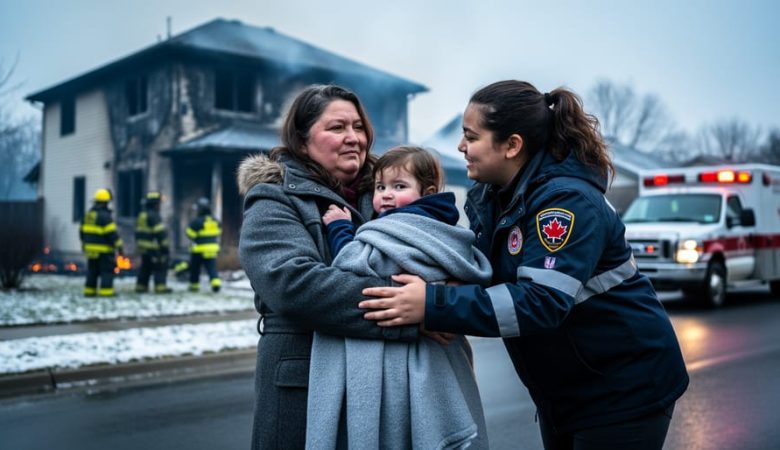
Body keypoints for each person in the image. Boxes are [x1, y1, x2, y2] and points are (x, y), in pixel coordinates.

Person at [360, 80, 690, 450]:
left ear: (512, 145)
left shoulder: (565, 204)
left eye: (471, 136)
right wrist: (448, 297)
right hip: (567, 392)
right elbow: (493, 276)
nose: (460, 147)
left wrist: (433, 305)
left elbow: (540, 301)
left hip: (624, 388)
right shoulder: (495, 197)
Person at [237, 84, 422, 449]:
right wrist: (410, 309)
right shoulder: (273, 198)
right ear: (302, 141)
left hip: (382, 382)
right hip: (302, 383)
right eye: (337, 128)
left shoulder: (388, 197)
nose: (354, 138)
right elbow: (294, 284)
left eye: (358, 126)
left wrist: (439, 296)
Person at [307, 146, 492, 449]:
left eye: (399, 186)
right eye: (380, 187)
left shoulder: (402, 227)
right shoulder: (444, 229)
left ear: (427, 192)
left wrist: (340, 228)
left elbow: (352, 262)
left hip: (404, 355)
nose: (386, 196)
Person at [79, 188, 123, 297]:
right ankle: (106, 292)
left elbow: (81, 232)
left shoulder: (88, 215)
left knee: (92, 271)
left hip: (90, 250)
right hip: (104, 251)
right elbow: (112, 234)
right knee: (106, 271)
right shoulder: (105, 216)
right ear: (105, 202)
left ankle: (89, 292)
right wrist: (120, 247)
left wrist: (85, 244)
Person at [134, 191, 172, 293]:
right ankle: (160, 287)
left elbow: (137, 233)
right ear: (155, 204)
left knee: (145, 267)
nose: (160, 206)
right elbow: (160, 233)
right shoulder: (154, 216)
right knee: (160, 266)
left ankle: (141, 287)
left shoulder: (142, 215)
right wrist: (165, 248)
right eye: (159, 203)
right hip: (154, 248)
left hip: (143, 248)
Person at [186, 197, 222, 293]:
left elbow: (190, 234)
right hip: (212, 249)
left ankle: (194, 286)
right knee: (211, 267)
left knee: (195, 268)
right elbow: (218, 232)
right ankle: (216, 283)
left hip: (198, 250)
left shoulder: (197, 221)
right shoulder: (215, 221)